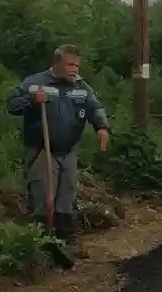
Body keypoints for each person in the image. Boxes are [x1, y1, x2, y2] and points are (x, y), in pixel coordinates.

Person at [7, 44, 111, 246]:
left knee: (67, 196)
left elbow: (95, 107)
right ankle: (40, 242)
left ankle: (66, 240)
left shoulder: (81, 87)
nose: (75, 70)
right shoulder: (35, 83)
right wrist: (32, 99)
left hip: (68, 151)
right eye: (70, 65)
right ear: (56, 64)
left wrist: (102, 127)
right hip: (42, 150)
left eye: (77, 66)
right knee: (43, 196)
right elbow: (12, 105)